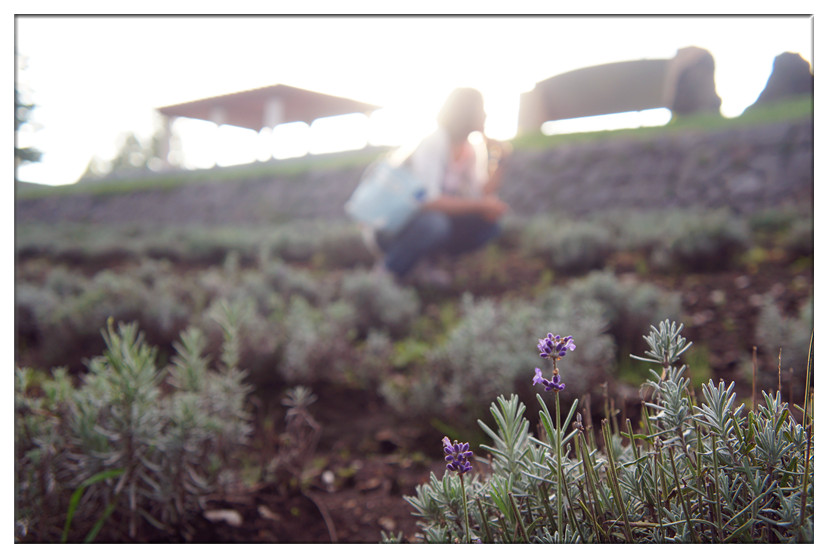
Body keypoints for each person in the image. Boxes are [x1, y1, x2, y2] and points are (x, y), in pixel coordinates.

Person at [374, 87, 510, 283]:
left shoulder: (469, 149)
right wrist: (482, 205)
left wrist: (500, 161)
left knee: (487, 224)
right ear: (467, 112)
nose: (486, 114)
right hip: (391, 228)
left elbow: (479, 195)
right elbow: (426, 200)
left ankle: (424, 264)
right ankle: (386, 274)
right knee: (435, 223)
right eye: (482, 108)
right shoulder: (435, 141)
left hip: (428, 224)